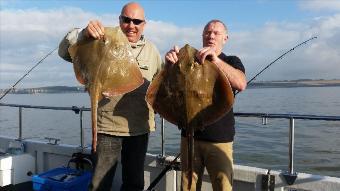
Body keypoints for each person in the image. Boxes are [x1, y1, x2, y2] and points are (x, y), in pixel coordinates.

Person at [58, 2, 163, 191]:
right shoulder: (100, 38)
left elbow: (160, 86)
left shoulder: (152, 51)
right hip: (106, 128)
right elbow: (65, 51)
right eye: (126, 20)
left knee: (134, 183)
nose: (131, 25)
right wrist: (83, 33)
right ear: (120, 20)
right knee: (99, 184)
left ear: (144, 24)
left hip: (138, 129)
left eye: (137, 21)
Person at [165, 20, 247, 191]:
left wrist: (215, 60)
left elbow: (241, 83)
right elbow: (166, 90)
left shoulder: (231, 60)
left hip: (219, 139)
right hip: (189, 136)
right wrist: (169, 66)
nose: (211, 36)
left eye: (216, 33)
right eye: (207, 32)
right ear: (202, 36)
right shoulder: (189, 62)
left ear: (225, 38)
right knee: (188, 187)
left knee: (222, 186)